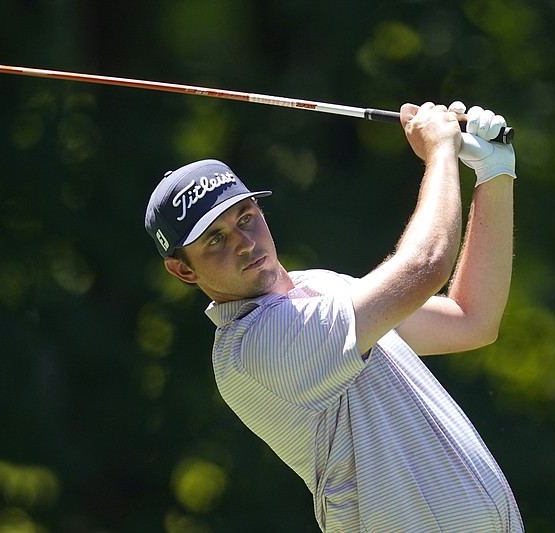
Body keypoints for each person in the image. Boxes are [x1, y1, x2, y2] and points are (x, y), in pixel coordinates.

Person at [144, 101, 523, 532]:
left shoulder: (320, 289)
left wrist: (494, 175)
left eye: (246, 218)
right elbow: (425, 267)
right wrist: (439, 151)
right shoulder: (253, 346)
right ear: (183, 270)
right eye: (215, 239)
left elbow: (470, 319)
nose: (245, 243)